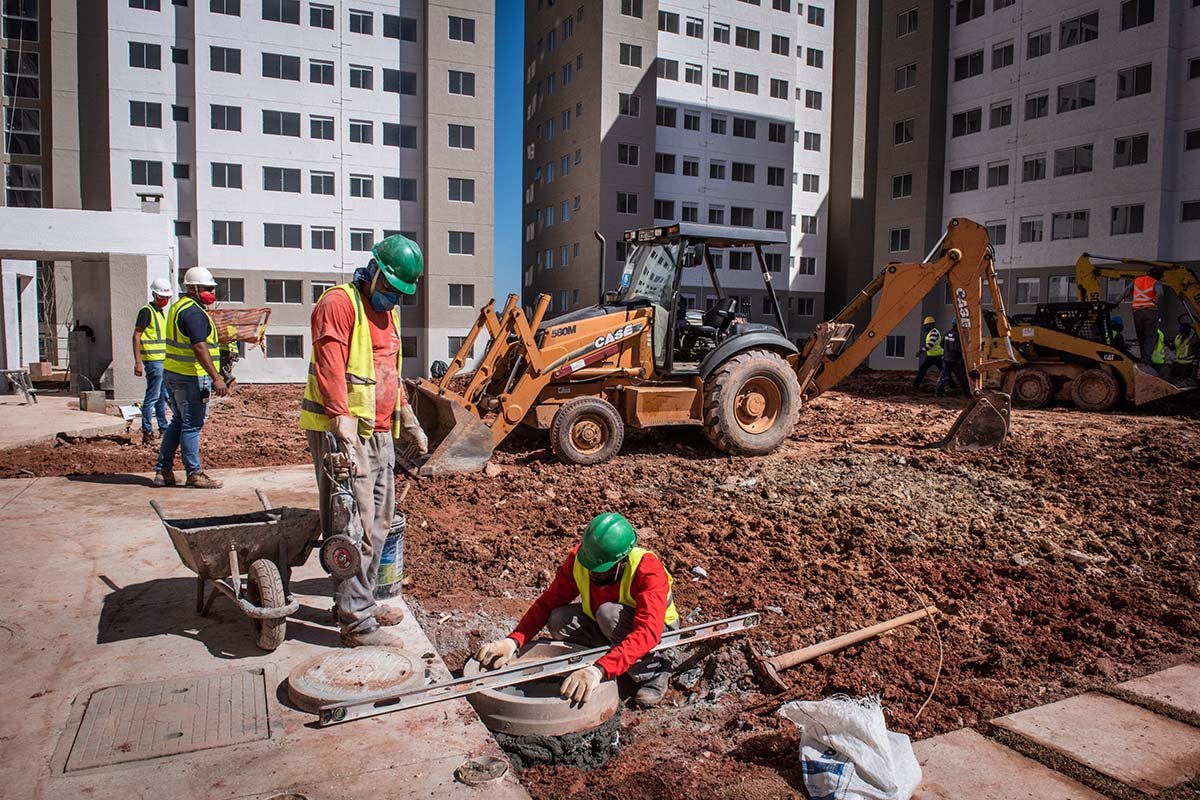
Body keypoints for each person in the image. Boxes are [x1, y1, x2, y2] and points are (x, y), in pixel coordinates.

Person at [299, 235, 429, 648]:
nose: (392, 298)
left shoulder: (389, 316)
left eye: (399, 293)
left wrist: (406, 416)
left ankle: (363, 603)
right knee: (352, 526)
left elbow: (388, 370)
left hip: (380, 433)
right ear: (373, 271)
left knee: (380, 525)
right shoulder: (339, 304)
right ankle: (355, 623)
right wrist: (342, 422)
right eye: (389, 288)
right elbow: (330, 367)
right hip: (346, 433)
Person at [475, 512, 679, 708]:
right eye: (590, 567)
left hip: (658, 632)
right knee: (559, 619)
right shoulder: (581, 560)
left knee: (608, 615)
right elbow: (548, 602)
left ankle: (654, 672)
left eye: (600, 571)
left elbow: (647, 632)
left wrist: (599, 670)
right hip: (609, 624)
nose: (592, 574)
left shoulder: (647, 570)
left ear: (622, 562)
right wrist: (514, 640)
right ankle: (614, 658)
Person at [154, 267, 227, 489]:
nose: (210, 293)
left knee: (178, 421)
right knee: (192, 424)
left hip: (174, 374)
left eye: (212, 288)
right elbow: (198, 346)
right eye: (206, 288)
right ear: (193, 288)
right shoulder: (194, 312)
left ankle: (163, 471)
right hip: (191, 377)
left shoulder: (178, 307)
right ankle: (194, 473)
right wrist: (216, 377)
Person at [132, 277, 172, 445]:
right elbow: (136, 335)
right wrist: (138, 362)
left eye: (167, 298)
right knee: (152, 396)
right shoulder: (147, 311)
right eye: (162, 298)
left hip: (163, 360)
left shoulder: (160, 313)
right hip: (153, 361)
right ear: (155, 295)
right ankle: (147, 431)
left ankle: (163, 428)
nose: (165, 301)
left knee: (162, 396)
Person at [1128, 267, 1164, 362]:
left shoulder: (1137, 280)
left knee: (1141, 336)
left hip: (1137, 312)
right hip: (1150, 311)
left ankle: (1142, 358)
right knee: (1150, 336)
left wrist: (1115, 302)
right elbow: (1160, 293)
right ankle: (1146, 360)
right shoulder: (1156, 282)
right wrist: (1155, 302)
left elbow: (1126, 291)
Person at [936, 323, 967, 397]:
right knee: (961, 376)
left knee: (943, 375)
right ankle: (967, 391)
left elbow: (941, 344)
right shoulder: (958, 335)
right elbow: (957, 349)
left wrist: (947, 351)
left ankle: (939, 391)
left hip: (946, 358)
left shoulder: (948, 333)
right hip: (955, 359)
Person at [912, 316, 944, 389]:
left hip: (936, 356)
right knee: (942, 371)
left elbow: (930, 344)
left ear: (931, 324)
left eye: (926, 325)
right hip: (933, 355)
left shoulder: (934, 332)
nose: (925, 327)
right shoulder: (932, 332)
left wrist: (921, 351)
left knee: (924, 369)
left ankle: (916, 384)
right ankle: (916, 384)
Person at [1171, 315, 1198, 385]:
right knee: (1171, 376)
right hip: (1177, 362)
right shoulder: (1177, 337)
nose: (1183, 334)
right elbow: (1175, 347)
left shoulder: (1192, 339)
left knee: (1182, 380)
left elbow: (1196, 351)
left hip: (1187, 365)